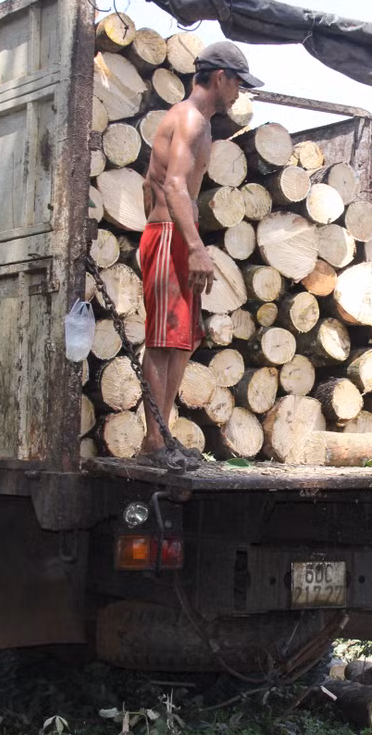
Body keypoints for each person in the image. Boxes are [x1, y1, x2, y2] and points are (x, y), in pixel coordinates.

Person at [139, 42, 263, 456]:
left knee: (180, 341)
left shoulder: (198, 123)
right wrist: (189, 244)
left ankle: (161, 435)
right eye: (238, 84)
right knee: (162, 341)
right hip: (172, 236)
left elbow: (148, 183)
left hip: (174, 234)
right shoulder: (190, 119)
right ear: (221, 77)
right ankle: (154, 439)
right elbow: (172, 184)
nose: (238, 94)